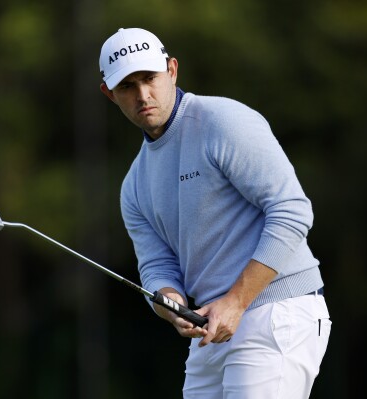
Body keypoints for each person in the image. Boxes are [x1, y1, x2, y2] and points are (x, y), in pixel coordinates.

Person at [99, 27, 331, 399]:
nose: (143, 95)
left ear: (172, 70)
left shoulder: (222, 122)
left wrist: (237, 301)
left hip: (277, 311)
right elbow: (156, 267)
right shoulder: (134, 185)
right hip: (213, 328)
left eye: (150, 78)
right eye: (127, 86)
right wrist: (168, 302)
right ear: (109, 94)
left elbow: (292, 211)